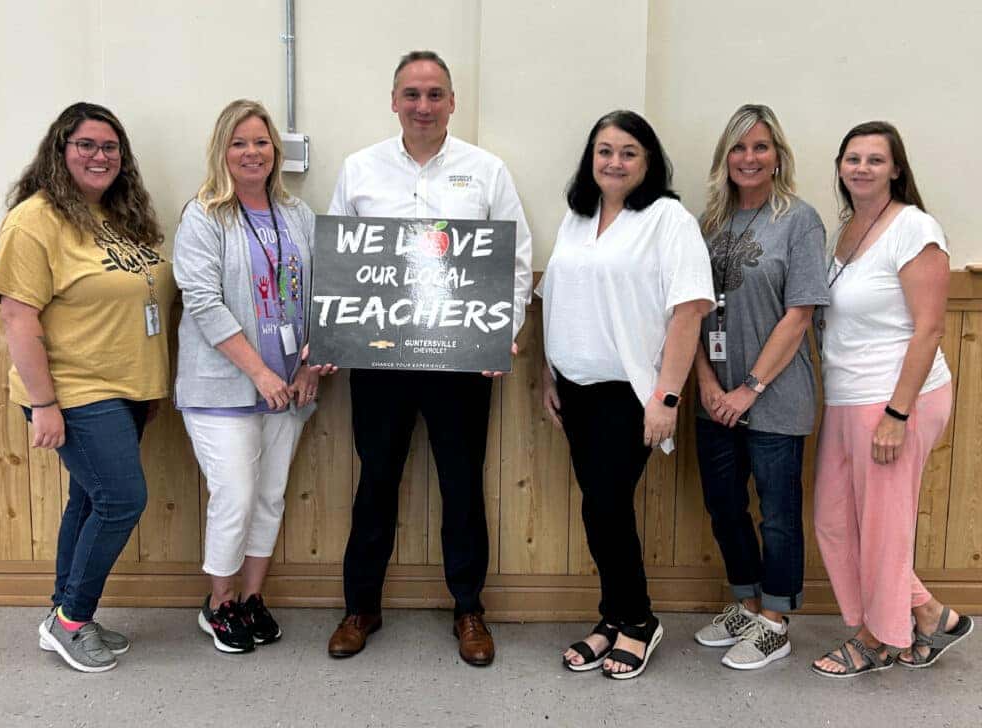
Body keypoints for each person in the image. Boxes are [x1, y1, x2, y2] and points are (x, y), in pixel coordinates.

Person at [326, 50, 532, 666]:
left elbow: (516, 259)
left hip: (463, 361)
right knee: (376, 482)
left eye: (435, 94)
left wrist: (502, 331)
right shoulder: (359, 169)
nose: (423, 105)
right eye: (412, 94)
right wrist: (333, 332)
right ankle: (360, 606)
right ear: (394, 100)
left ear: (452, 102)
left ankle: (469, 609)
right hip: (379, 362)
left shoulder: (486, 170)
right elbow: (338, 260)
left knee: (462, 484)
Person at [0, 102, 174, 672]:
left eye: (110, 147)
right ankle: (73, 620)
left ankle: (62, 614)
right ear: (60, 150)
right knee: (123, 499)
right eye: (87, 145)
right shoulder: (35, 220)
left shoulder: (122, 215)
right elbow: (18, 317)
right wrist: (44, 403)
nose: (100, 156)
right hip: (74, 387)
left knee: (91, 497)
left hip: (128, 386)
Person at [538, 110, 714, 679]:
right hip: (575, 388)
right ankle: (613, 616)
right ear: (591, 158)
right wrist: (548, 373)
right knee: (598, 506)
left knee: (607, 505)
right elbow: (557, 296)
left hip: (631, 391)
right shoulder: (576, 216)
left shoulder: (668, 219)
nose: (614, 161)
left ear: (648, 161)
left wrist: (667, 397)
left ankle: (637, 621)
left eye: (628, 152)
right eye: (604, 150)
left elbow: (689, 310)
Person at [811, 121, 973, 677]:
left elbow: (929, 330)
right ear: (839, 166)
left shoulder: (915, 228)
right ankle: (928, 614)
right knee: (836, 522)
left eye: (875, 160)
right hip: (846, 396)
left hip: (896, 398)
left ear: (896, 169)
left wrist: (897, 415)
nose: (861, 168)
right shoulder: (848, 228)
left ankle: (878, 639)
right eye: (851, 157)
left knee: (881, 528)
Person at [174, 99, 334, 654]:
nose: (252, 152)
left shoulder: (299, 216)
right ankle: (217, 604)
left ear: (276, 151)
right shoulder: (203, 216)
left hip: (290, 387)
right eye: (239, 142)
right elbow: (203, 302)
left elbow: (323, 292)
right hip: (224, 387)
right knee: (236, 496)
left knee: (269, 497)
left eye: (261, 142)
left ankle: (249, 598)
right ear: (222, 150)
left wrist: (311, 363)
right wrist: (262, 373)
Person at [690, 105, 828, 670]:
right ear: (725, 158)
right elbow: (688, 314)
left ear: (778, 157)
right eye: (739, 148)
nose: (749, 158)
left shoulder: (800, 220)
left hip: (775, 396)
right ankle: (746, 602)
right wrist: (705, 381)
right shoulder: (707, 225)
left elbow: (799, 315)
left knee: (776, 513)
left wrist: (748, 387)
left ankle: (775, 619)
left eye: (761, 147)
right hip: (714, 399)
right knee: (724, 506)